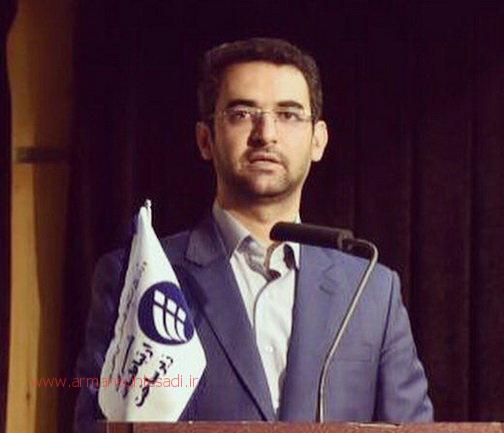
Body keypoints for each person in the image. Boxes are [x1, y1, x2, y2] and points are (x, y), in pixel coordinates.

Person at [74, 37, 433, 431]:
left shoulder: (371, 292)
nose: (266, 134)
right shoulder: (139, 275)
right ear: (205, 139)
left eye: (289, 114)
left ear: (318, 140)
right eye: (242, 113)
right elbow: (98, 424)